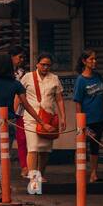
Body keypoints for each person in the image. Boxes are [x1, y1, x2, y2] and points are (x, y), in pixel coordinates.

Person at [0, 53, 38, 183]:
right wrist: (40, 121)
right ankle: (4, 184)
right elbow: (26, 105)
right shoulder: (16, 84)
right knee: (6, 155)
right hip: (11, 121)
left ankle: (3, 183)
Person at [20, 53, 66, 185]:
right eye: (43, 64)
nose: (45, 67)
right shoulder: (27, 77)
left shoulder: (54, 79)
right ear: (37, 64)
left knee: (45, 149)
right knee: (33, 147)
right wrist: (14, 111)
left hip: (49, 118)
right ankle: (34, 179)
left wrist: (63, 117)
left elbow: (59, 99)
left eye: (48, 65)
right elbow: (19, 95)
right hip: (31, 117)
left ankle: (40, 174)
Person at [73, 50, 103, 183]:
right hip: (87, 120)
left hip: (100, 118)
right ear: (84, 61)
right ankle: (80, 173)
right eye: (91, 59)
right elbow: (78, 102)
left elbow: (102, 97)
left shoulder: (98, 77)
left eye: (95, 59)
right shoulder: (81, 80)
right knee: (81, 146)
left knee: (95, 147)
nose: (94, 62)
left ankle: (94, 173)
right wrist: (82, 123)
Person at [11, 46, 29, 176]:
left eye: (23, 57)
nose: (21, 60)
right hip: (5, 107)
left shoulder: (24, 73)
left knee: (22, 139)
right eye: (19, 57)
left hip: (20, 109)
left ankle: (25, 166)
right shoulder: (5, 73)